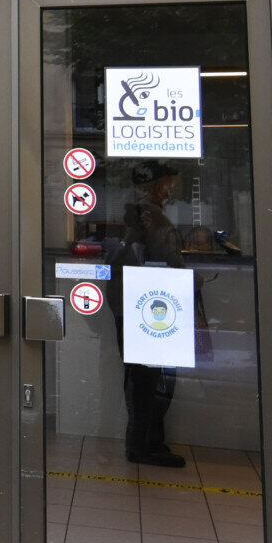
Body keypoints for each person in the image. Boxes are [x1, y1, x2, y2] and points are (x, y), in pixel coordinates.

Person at [120, 161, 184, 467]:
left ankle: (146, 442)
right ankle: (142, 445)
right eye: (168, 183)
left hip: (136, 304)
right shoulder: (151, 218)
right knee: (148, 379)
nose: (171, 189)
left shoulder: (137, 216)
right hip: (150, 307)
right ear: (158, 185)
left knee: (141, 377)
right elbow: (165, 262)